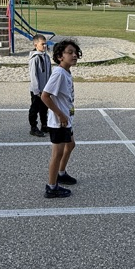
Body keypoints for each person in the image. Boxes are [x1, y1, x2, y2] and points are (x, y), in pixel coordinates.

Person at [40, 38, 82, 199]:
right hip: (59, 121)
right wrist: (60, 114)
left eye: (75, 52)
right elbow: (45, 96)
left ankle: (61, 173)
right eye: (69, 53)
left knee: (70, 145)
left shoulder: (66, 72)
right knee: (57, 153)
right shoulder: (58, 74)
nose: (74, 55)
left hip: (66, 118)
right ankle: (51, 187)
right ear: (60, 57)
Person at [28, 34, 52, 137]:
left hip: (45, 88)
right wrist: (36, 91)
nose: (45, 46)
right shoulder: (35, 58)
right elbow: (33, 75)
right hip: (37, 90)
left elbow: (49, 73)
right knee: (35, 108)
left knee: (44, 108)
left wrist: (50, 87)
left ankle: (44, 125)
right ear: (36, 44)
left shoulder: (46, 56)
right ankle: (33, 127)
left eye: (45, 44)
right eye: (42, 44)